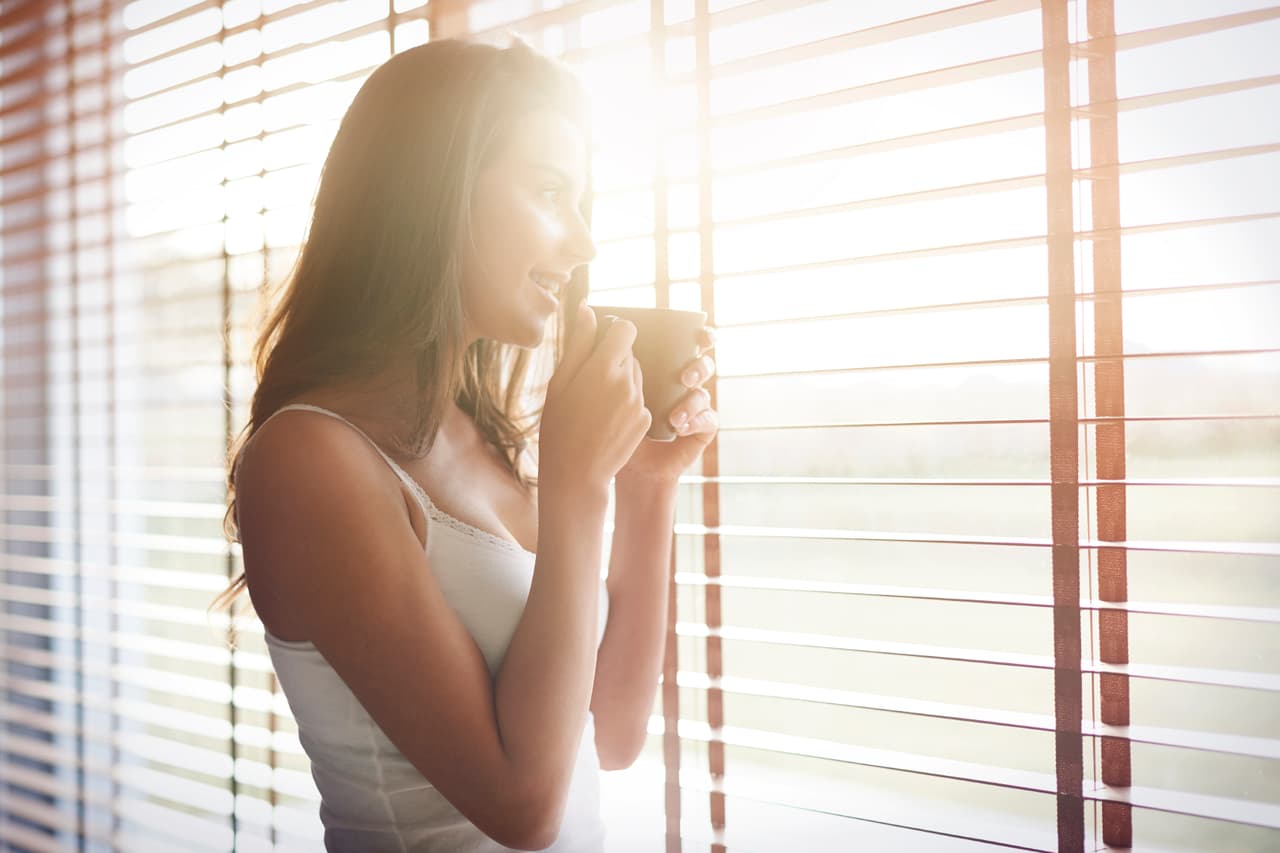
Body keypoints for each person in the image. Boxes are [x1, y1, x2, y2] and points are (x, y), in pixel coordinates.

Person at [214, 36, 719, 852]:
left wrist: (646, 484)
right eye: (549, 192)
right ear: (434, 195)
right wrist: (577, 487)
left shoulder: (478, 435)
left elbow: (613, 732)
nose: (583, 243)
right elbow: (523, 808)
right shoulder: (310, 460)